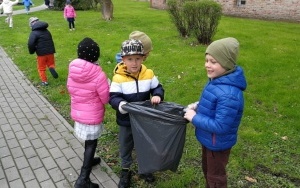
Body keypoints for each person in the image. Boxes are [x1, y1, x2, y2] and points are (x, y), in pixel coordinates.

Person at [184, 37, 247, 188]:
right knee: (208, 171)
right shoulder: (217, 80)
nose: (207, 65)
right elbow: (213, 103)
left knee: (215, 178)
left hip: (217, 143)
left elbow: (220, 125)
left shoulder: (229, 94)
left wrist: (194, 118)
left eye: (213, 62)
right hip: (210, 140)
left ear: (226, 64)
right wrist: (198, 106)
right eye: (206, 60)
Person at [109, 39, 164, 188]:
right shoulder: (118, 78)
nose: (134, 63)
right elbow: (113, 97)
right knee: (126, 144)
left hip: (144, 119)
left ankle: (145, 168)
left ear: (143, 58)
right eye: (130, 59)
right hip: (126, 120)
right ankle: (125, 170)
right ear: (123, 59)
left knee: (145, 143)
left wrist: (157, 94)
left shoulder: (149, 74)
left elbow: (157, 87)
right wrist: (121, 104)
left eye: (138, 59)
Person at [67, 37, 110, 188]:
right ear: (96, 56)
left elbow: (70, 88)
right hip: (92, 115)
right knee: (92, 143)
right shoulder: (99, 75)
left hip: (79, 114)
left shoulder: (73, 70)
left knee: (88, 141)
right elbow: (105, 98)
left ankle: (89, 159)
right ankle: (83, 179)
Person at [28, 17, 58, 86]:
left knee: (41, 68)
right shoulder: (47, 31)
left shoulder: (34, 33)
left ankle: (44, 81)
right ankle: (51, 68)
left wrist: (31, 51)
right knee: (51, 64)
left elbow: (31, 43)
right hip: (50, 52)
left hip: (41, 54)